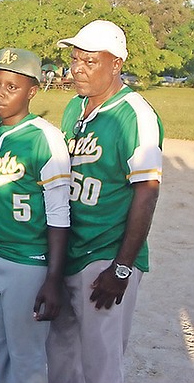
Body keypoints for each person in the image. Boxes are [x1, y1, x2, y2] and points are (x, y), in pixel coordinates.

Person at [46, 20, 163, 383]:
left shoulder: (135, 114)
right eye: (75, 59)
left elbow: (147, 191)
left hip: (105, 256)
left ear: (116, 64)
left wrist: (122, 267)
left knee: (101, 364)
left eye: (90, 61)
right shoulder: (73, 108)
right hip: (69, 250)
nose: (77, 68)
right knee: (61, 357)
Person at [0, 48, 70, 383]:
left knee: (26, 357)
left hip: (28, 259)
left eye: (11, 86)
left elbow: (58, 213)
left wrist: (53, 279)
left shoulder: (45, 137)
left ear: (32, 90)